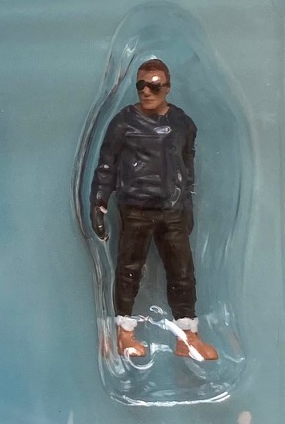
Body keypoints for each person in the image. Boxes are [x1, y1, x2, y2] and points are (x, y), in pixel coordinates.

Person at [90, 58, 218, 362]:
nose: (146, 91)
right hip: (136, 208)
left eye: (154, 86)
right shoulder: (123, 123)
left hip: (172, 210)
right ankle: (123, 334)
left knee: (182, 272)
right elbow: (106, 165)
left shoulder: (183, 123)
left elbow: (187, 168)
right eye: (141, 85)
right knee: (129, 270)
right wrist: (98, 203)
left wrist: (186, 205)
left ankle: (187, 337)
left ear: (167, 88)